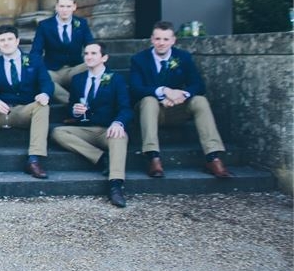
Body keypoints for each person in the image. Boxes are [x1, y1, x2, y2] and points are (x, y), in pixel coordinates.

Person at [129, 20, 231, 179]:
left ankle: (213, 157)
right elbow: (135, 89)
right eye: (157, 39)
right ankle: (153, 157)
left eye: (165, 39)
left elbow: (198, 85)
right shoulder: (139, 59)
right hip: (151, 111)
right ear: (152, 39)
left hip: (177, 109)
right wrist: (163, 92)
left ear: (173, 40)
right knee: (149, 101)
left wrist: (181, 95)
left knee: (200, 101)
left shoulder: (183, 57)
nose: (161, 43)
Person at [51, 42, 132, 208]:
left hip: (107, 130)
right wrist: (75, 111)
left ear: (104, 58)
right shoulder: (78, 80)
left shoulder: (115, 79)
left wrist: (118, 123)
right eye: (86, 53)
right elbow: (72, 108)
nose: (88, 56)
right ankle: (101, 158)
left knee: (120, 137)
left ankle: (115, 185)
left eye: (94, 53)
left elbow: (126, 108)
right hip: (86, 128)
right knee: (57, 132)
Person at [0, 24, 53, 179]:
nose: (6, 43)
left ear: (17, 41)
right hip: (3, 111)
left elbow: (47, 83)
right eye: (2, 40)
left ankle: (34, 160)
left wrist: (45, 94)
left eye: (10, 39)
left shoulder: (34, 60)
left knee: (43, 107)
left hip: (26, 110)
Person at [30, 0, 95, 104]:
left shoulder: (81, 23)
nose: (65, 10)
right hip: (52, 71)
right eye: (62, 6)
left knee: (94, 63)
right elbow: (36, 51)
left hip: (74, 69)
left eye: (68, 6)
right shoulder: (45, 25)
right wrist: (35, 68)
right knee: (42, 79)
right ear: (56, 7)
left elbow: (91, 46)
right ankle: (74, 104)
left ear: (74, 7)